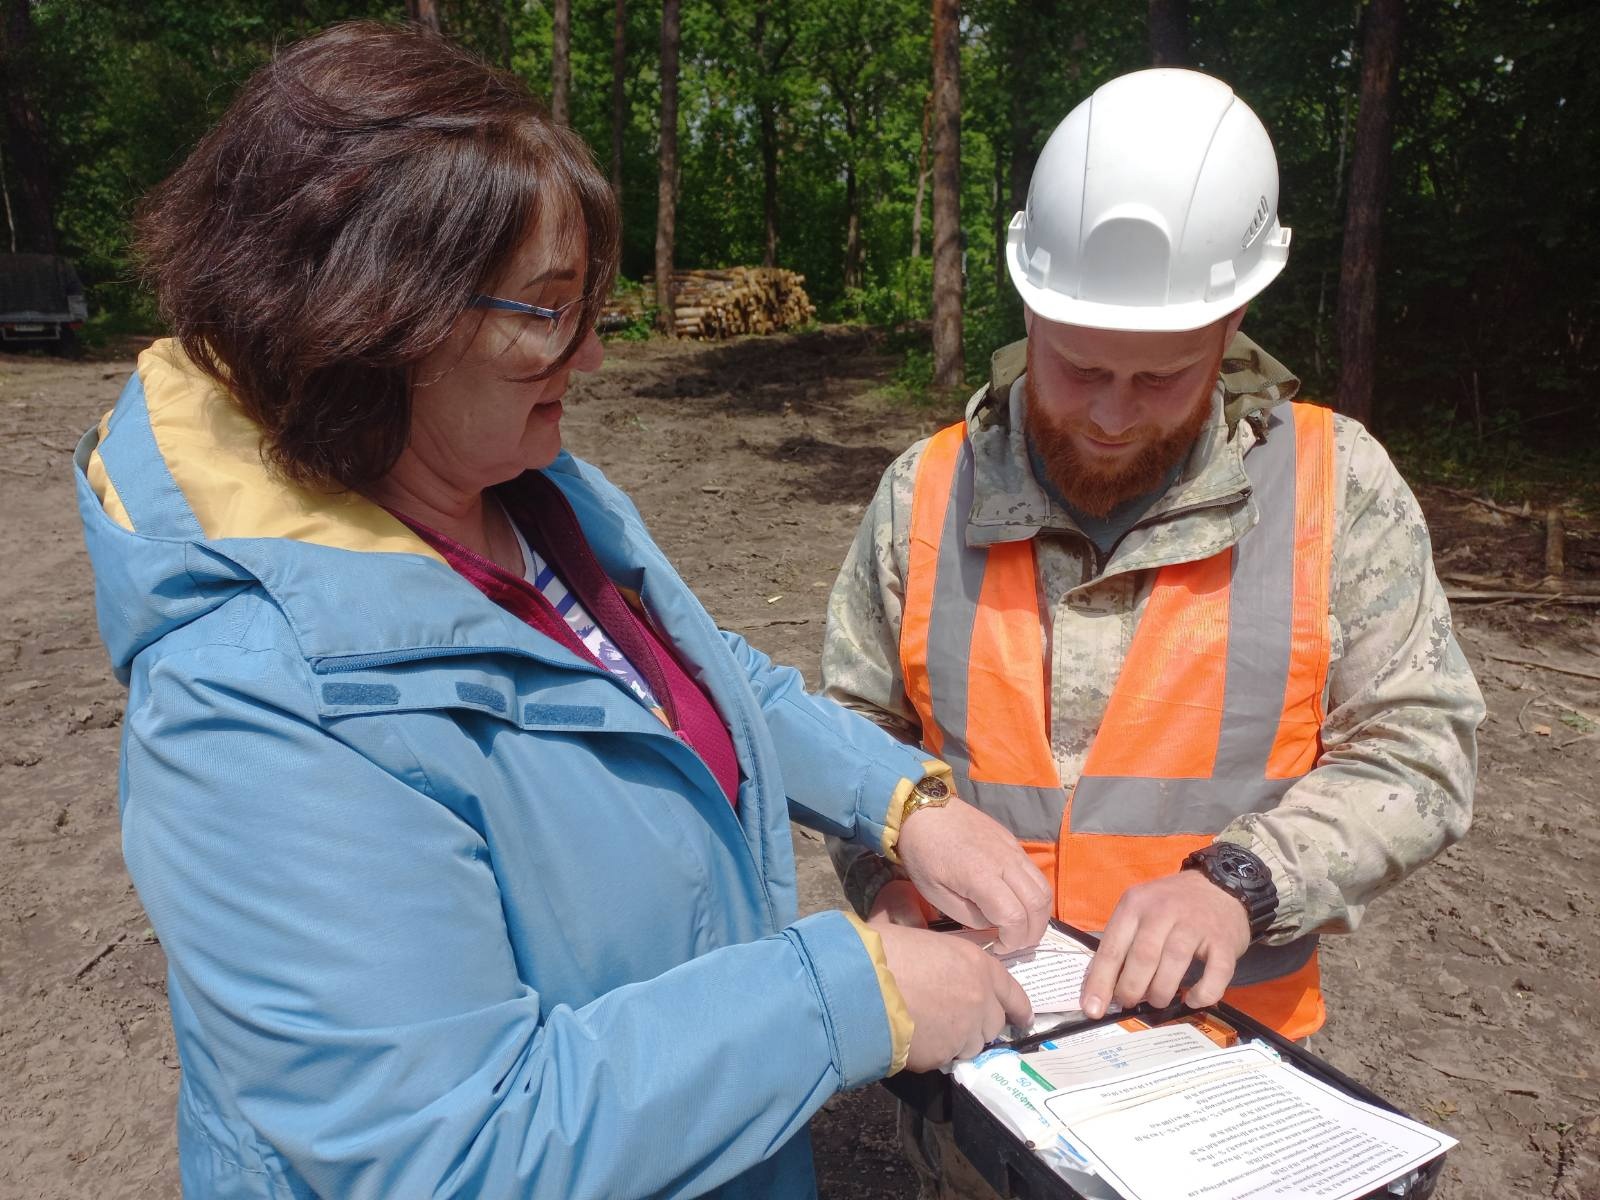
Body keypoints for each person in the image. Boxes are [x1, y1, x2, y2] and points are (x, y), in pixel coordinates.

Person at [72, 23, 1054, 1199]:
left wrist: (896, 800)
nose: (591, 356)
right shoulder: (254, 706)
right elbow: (452, 1146)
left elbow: (687, 672)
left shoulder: (522, 494)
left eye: (589, 304)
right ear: (374, 322)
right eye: (548, 311)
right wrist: (852, 994)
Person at [824, 68, 1484, 1197]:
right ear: (1026, 305)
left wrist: (1239, 882)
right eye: (1076, 366)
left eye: (1159, 378)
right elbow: (846, 724)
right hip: (978, 1076)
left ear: (1231, 323)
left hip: (1218, 1081)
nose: (1111, 411)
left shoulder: (1337, 486)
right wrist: (887, 879)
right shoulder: (926, 488)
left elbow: (1421, 750)